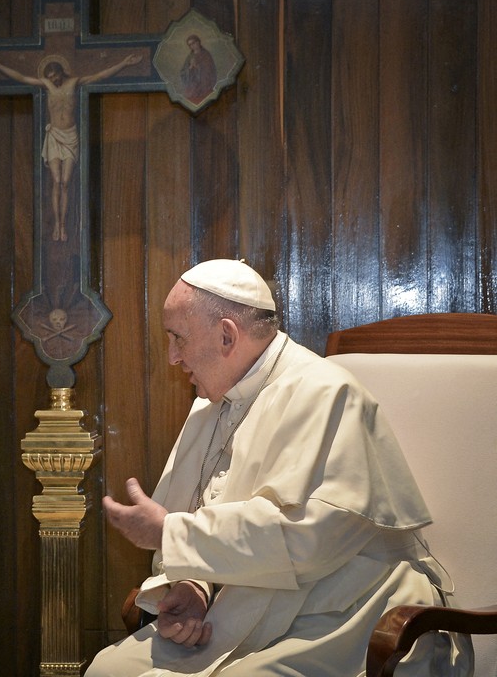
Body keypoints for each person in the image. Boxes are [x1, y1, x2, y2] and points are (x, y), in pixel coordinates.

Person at [85, 259, 470, 676]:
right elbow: (210, 517)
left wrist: (169, 532)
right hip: (241, 603)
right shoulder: (210, 406)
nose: (173, 357)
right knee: (109, 669)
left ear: (227, 335)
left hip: (343, 611)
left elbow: (304, 541)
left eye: (178, 338)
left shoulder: (325, 392)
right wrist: (195, 585)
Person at [0, 53, 141, 242]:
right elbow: (21, 78)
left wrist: (123, 62)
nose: (53, 80)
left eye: (55, 76)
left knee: (66, 182)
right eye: (49, 78)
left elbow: (101, 75)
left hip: (71, 136)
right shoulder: (47, 85)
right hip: (54, 136)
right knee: (56, 181)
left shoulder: (74, 83)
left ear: (60, 72)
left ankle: (64, 224)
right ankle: (57, 224)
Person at [179, 34, 216, 104]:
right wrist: (190, 68)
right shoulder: (189, 56)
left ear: (198, 42)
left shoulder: (206, 54)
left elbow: (210, 70)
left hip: (204, 85)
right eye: (189, 45)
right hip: (192, 85)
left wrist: (197, 66)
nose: (192, 46)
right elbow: (183, 72)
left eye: (193, 43)